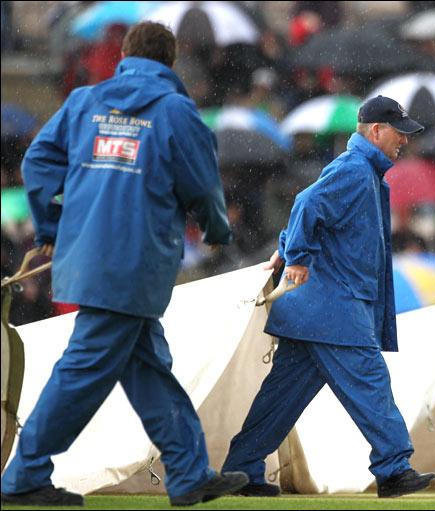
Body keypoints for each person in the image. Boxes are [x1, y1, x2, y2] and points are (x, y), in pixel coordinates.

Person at [0, 22, 247, 507]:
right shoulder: (176, 111)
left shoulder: (83, 102)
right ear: (169, 63)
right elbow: (202, 185)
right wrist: (219, 231)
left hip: (86, 257)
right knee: (81, 374)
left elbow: (37, 163)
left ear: (125, 56)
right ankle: (22, 477)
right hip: (136, 265)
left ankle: (189, 472)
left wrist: (52, 225)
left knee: (150, 370)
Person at [220, 96, 435, 498]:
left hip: (313, 309)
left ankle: (242, 469)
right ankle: (393, 468)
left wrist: (287, 248)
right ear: (376, 131)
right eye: (399, 133)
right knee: (371, 384)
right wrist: (296, 256)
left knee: (281, 398)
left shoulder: (359, 170)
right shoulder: (356, 170)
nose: (404, 142)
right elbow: (307, 203)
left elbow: (312, 207)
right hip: (333, 306)